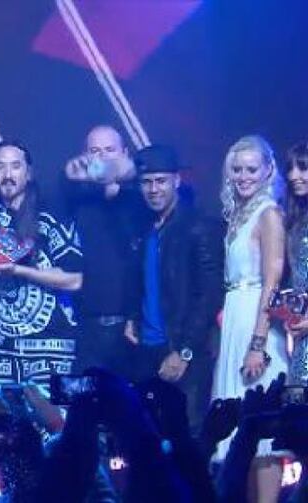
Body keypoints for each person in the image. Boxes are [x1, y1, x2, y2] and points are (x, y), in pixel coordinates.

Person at [212, 135, 288, 503]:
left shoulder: (269, 213)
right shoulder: (237, 214)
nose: (243, 176)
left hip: (257, 322)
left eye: (251, 169)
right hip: (235, 319)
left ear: (268, 170)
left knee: (262, 432)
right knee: (238, 432)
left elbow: (272, 280)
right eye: (237, 169)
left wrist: (258, 343)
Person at [127, 145, 224, 432]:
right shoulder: (145, 229)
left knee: (187, 439)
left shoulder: (198, 227)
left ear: (177, 181)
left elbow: (209, 295)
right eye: (146, 182)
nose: (153, 189)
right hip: (148, 350)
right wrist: (134, 318)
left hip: (182, 352)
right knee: (149, 440)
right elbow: (143, 284)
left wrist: (184, 351)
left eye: (161, 181)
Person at [0, 141, 82, 390]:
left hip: (53, 347)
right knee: (2, 414)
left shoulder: (50, 214)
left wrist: (17, 270)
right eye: (0, 167)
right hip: (0, 348)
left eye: (15, 166)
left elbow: (74, 279)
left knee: (57, 414)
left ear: (29, 173)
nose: (8, 175)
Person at [62, 125, 147, 376]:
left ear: (125, 153)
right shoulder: (76, 202)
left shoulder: (141, 200)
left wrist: (119, 173)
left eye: (110, 150)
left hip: (130, 328)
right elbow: (64, 177)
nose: (102, 157)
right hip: (85, 329)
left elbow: (141, 169)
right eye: (95, 151)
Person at [284, 141, 308, 385]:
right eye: (290, 169)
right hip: (300, 331)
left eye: (302, 168)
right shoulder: (296, 220)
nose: (294, 176)